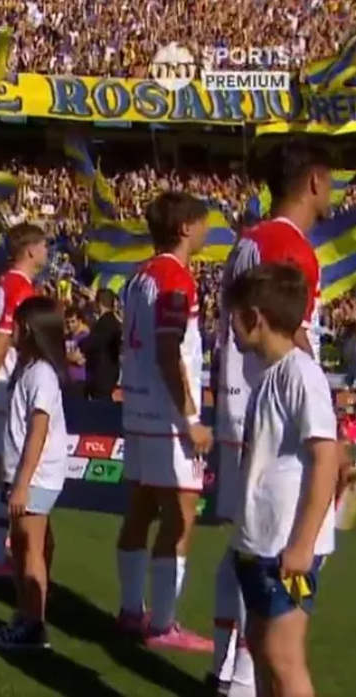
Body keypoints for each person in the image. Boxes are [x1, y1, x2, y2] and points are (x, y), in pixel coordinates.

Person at [212, 140, 332, 692]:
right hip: (273, 438)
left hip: (257, 428)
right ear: (313, 181)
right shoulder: (287, 246)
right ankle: (236, 680)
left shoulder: (250, 240)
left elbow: (323, 452)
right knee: (268, 634)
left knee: (277, 642)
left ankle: (231, 676)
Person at [224, 263, 341, 697]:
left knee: (282, 656)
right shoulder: (269, 376)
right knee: (260, 647)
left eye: (233, 316)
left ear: (254, 317)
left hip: (286, 549)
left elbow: (326, 456)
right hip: (259, 543)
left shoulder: (301, 374)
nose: (228, 327)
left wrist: (303, 544)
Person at [115, 192, 214, 652]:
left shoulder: (138, 277)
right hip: (167, 417)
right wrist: (191, 417)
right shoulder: (175, 277)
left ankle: (131, 611)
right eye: (202, 222)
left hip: (138, 410)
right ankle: (163, 623)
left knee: (140, 509)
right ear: (184, 228)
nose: (207, 229)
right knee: (180, 516)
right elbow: (169, 351)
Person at [0, 296, 70, 650]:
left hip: (35, 476)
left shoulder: (42, 374)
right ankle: (25, 617)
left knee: (29, 547)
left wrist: (21, 483)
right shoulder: (27, 369)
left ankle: (33, 626)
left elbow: (38, 431)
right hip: (23, 473)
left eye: (17, 325)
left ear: (31, 330)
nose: (11, 331)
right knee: (22, 546)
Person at [0, 223, 47, 577]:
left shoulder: (0, 287)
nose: (47, 252)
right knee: (3, 472)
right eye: (43, 246)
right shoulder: (18, 287)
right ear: (30, 250)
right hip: (6, 389)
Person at [80, 289, 122, 401]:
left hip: (102, 375)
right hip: (107, 374)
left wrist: (81, 344)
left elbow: (93, 343)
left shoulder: (105, 323)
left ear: (99, 303)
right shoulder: (113, 322)